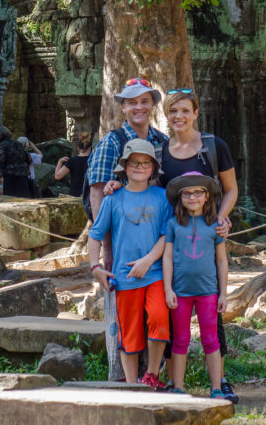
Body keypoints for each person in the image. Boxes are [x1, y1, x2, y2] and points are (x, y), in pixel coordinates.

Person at [159, 88, 239, 403]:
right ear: (166, 116)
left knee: (211, 318)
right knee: (170, 312)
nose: (178, 117)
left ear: (195, 113)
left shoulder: (213, 146)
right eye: (172, 111)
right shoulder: (160, 150)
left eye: (184, 110)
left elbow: (230, 190)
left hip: (207, 232)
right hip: (171, 232)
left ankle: (219, 381)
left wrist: (219, 219)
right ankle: (171, 381)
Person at [86, 77, 168, 381]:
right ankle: (122, 381)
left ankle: (154, 376)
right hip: (119, 248)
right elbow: (97, 193)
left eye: (144, 101)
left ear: (152, 105)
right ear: (123, 106)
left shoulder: (161, 142)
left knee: (158, 317)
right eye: (132, 101)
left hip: (156, 246)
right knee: (122, 322)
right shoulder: (112, 141)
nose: (139, 107)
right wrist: (106, 249)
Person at [163, 172, 229, 399]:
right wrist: (168, 289)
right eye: (187, 193)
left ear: (207, 196)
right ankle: (179, 388)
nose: (193, 197)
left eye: (198, 192)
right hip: (180, 293)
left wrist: (223, 294)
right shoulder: (173, 224)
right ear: (180, 198)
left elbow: (221, 260)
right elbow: (168, 258)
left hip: (208, 292)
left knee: (211, 338)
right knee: (180, 339)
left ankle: (216, 388)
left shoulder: (215, 226)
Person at [0, 126, 31, 197]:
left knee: (10, 197)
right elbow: (28, 158)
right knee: (23, 197)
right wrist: (28, 170)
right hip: (22, 174)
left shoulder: (2, 145)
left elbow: (1, 160)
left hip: (10, 175)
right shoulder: (18, 143)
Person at [55, 132, 92, 197]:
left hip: (74, 195)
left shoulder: (72, 161)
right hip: (89, 196)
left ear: (78, 148)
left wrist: (60, 161)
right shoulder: (93, 161)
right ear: (90, 148)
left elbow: (57, 176)